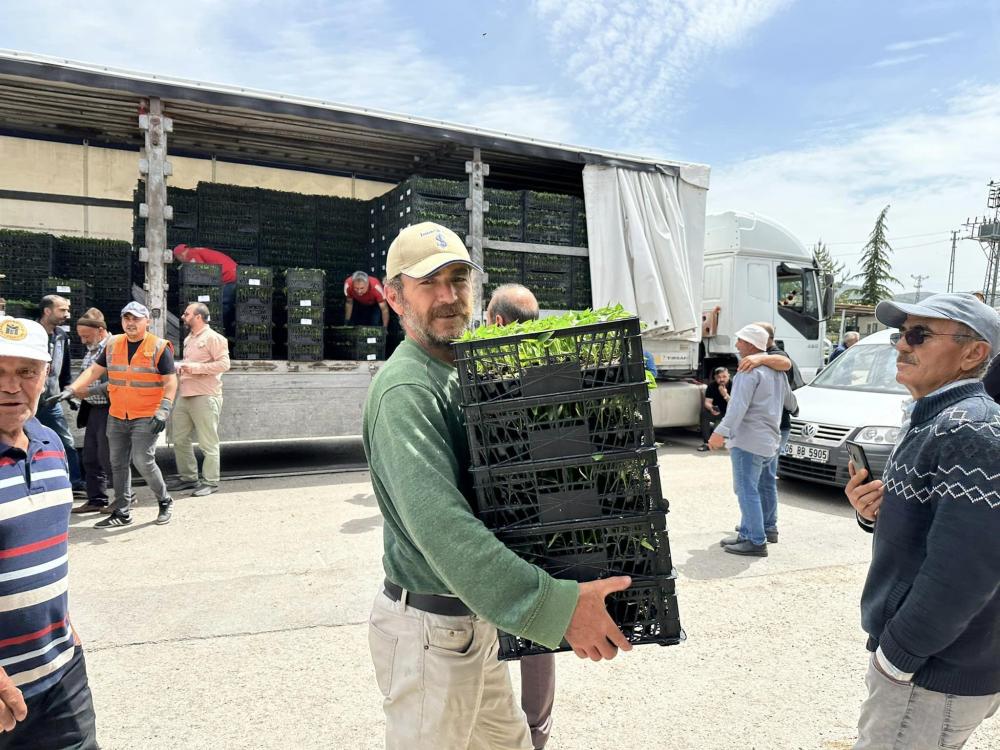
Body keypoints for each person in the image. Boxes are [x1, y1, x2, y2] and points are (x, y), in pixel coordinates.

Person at [365, 222, 632, 750]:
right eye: (428, 283)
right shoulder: (406, 390)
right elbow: (444, 531)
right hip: (430, 634)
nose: (448, 296)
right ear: (394, 297)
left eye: (459, 279)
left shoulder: (458, 371)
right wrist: (555, 607)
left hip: (473, 626)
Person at [843, 292, 1000, 750]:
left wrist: (898, 657)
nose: (901, 345)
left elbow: (967, 569)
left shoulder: (970, 427)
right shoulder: (938, 420)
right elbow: (944, 531)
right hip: (932, 664)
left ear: (974, 353)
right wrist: (878, 514)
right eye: (900, 334)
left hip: (932, 671)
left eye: (919, 334)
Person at [0, 316, 98, 747]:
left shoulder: (49, 442)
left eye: (26, 372)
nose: (11, 386)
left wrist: (65, 627)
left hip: (61, 673)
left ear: (44, 376)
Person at [486, 282, 556, 750]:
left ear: (495, 322)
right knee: (536, 629)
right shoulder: (557, 365)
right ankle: (536, 733)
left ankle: (494, 729)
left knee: (486, 625)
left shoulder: (479, 369)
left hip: (496, 514)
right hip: (551, 515)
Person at [54, 302, 177, 528]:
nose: (130, 323)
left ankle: (164, 500)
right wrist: (73, 389)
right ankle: (122, 511)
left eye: (136, 319)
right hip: (118, 414)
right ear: (121, 321)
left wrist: (164, 409)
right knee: (117, 463)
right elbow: (94, 371)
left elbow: (170, 382)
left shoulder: (159, 347)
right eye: (126, 319)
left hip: (147, 415)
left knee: (142, 460)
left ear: (146, 321)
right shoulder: (113, 344)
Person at [708, 324, 796, 557]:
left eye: (740, 341)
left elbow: (738, 407)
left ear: (750, 344)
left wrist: (721, 432)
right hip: (769, 439)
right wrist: (794, 410)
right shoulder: (775, 370)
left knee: (746, 490)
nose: (736, 345)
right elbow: (790, 401)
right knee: (761, 486)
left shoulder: (748, 371)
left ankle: (756, 541)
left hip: (749, 441)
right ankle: (750, 532)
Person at [734, 322, 804, 542]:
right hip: (774, 428)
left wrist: (760, 358)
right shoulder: (768, 357)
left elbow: (786, 363)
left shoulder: (776, 355)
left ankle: (760, 530)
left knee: (756, 484)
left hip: (771, 429)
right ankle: (759, 527)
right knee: (761, 481)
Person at [169, 302, 230, 497]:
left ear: (198, 317)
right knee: (179, 439)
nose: (183, 316)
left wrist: (194, 368)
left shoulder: (214, 338)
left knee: (208, 442)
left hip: (205, 394)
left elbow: (224, 364)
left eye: (187, 314)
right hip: (186, 394)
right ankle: (189, 478)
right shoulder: (189, 339)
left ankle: (211, 481)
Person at [35, 295, 84, 496]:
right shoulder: (31, 334)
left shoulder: (61, 336)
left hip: (50, 400)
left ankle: (75, 482)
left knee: (65, 441)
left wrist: (68, 391)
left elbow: (63, 368)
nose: (67, 314)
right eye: (62, 310)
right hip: (26, 399)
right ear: (47, 311)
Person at [70, 309, 114, 514]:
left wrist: (87, 391)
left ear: (101, 330)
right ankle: (97, 499)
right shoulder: (92, 348)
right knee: (90, 457)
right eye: (80, 335)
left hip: (111, 408)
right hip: (94, 409)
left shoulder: (113, 348)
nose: (82, 339)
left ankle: (125, 498)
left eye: (85, 335)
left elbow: (115, 381)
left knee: (111, 457)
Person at [173, 244, 238, 336]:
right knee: (229, 305)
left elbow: (201, 269)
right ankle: (226, 330)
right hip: (233, 273)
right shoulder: (197, 250)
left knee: (223, 305)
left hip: (229, 277)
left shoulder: (191, 254)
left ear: (180, 255)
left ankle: (219, 331)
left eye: (178, 259)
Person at [697, 367, 730, 452]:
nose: (721, 379)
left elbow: (736, 405)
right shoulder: (712, 386)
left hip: (732, 413)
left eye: (724, 376)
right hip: (719, 412)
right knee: (704, 414)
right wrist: (711, 408)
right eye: (719, 377)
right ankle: (707, 443)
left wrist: (725, 395)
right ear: (715, 377)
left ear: (728, 376)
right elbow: (707, 402)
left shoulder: (734, 385)